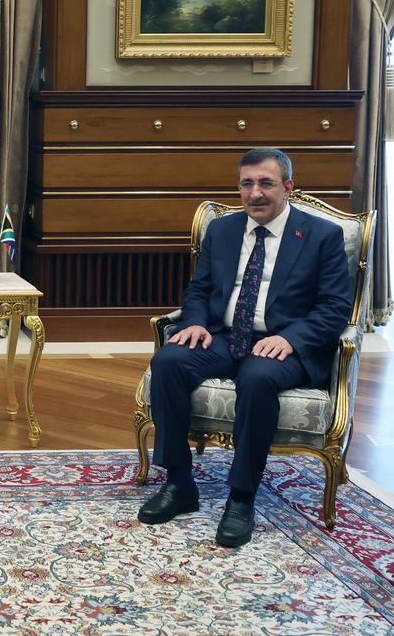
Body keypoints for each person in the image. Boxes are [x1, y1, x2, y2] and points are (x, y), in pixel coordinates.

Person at [139, 148, 352, 547]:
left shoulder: (322, 235)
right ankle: (180, 483)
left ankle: (241, 496)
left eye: (266, 183)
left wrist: (290, 338)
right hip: (224, 337)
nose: (255, 193)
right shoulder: (222, 230)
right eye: (247, 184)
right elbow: (200, 289)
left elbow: (336, 306)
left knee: (257, 378)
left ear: (288, 187)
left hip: (284, 345)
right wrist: (196, 323)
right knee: (169, 361)